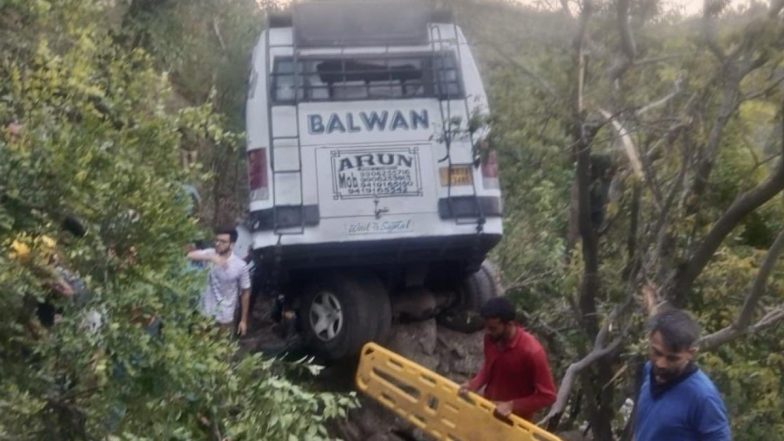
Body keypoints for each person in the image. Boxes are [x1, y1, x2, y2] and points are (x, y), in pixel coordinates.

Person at [634, 308, 731, 441]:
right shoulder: (649, 370)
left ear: (691, 353)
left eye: (672, 358)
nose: (661, 363)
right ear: (650, 339)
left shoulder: (703, 397)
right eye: (657, 353)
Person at [459, 297, 557, 420]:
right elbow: (489, 367)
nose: (488, 332)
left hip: (515, 422)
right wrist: (473, 385)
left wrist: (512, 405)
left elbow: (548, 396)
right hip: (488, 410)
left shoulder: (533, 352)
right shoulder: (491, 339)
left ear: (509, 324)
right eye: (487, 327)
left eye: (493, 328)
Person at [187, 227, 251, 336]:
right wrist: (211, 258)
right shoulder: (210, 253)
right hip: (203, 314)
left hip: (225, 318)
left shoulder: (240, 265)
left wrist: (243, 320)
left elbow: (246, 292)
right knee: (198, 347)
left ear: (232, 244)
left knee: (222, 349)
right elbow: (189, 255)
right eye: (216, 240)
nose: (218, 243)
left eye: (223, 241)